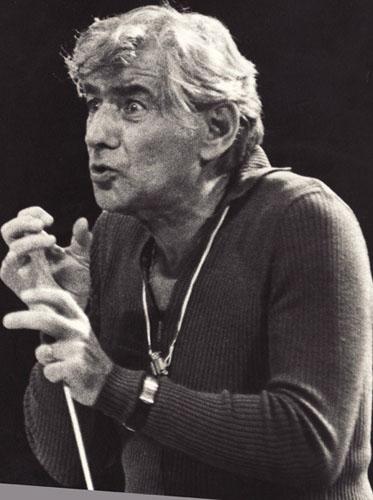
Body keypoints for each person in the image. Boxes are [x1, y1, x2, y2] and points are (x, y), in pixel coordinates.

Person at [1, 4, 372, 499]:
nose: (96, 134)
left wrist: (114, 384)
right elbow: (74, 467)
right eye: (94, 103)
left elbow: (309, 444)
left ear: (216, 128)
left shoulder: (303, 219)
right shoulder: (118, 233)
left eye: (133, 104)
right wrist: (66, 317)